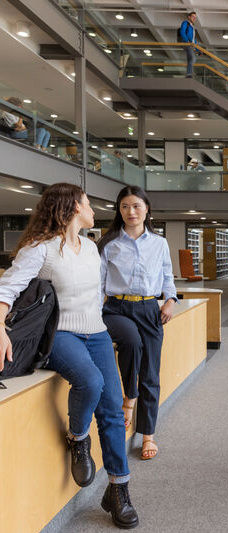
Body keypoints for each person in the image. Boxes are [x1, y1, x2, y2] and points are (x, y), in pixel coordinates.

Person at [0, 183, 139, 529]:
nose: (94, 211)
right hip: (60, 334)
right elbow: (8, 288)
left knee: (111, 409)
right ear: (74, 208)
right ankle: (78, 438)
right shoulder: (40, 249)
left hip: (97, 332)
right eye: (89, 204)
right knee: (90, 382)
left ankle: (119, 490)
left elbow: (96, 294)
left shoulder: (91, 248)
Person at [98, 186, 177, 460]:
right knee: (130, 341)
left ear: (146, 209)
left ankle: (148, 435)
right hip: (116, 308)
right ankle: (129, 399)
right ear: (118, 211)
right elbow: (98, 284)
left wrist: (170, 300)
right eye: (124, 207)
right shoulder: (109, 243)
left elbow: (168, 276)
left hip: (148, 308)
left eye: (136, 206)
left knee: (151, 374)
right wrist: (94, 314)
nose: (130, 212)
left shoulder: (159, 243)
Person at [178, 11, 198, 78]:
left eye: (195, 17)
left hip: (190, 44)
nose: (194, 18)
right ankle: (189, 74)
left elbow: (193, 39)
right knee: (193, 58)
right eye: (193, 17)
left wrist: (198, 49)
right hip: (186, 43)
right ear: (189, 17)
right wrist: (187, 41)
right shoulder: (185, 23)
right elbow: (182, 32)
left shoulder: (192, 27)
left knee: (190, 59)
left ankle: (189, 73)